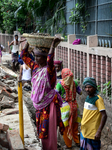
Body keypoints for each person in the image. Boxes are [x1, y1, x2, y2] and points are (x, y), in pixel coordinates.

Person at [20, 36, 65, 150]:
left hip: (49, 105)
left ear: (44, 58)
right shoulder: (35, 68)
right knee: (41, 129)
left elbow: (50, 60)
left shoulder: (49, 71)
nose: (36, 59)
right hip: (39, 105)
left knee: (48, 130)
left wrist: (52, 45)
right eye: (35, 56)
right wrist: (28, 42)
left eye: (39, 56)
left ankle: (51, 147)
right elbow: (23, 56)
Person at [56, 68, 82, 149]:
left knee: (66, 127)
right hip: (74, 106)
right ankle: (77, 142)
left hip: (65, 109)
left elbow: (56, 96)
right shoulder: (75, 83)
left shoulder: (60, 84)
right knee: (75, 125)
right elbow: (80, 92)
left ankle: (69, 145)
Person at [80, 77, 107, 150]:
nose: (87, 89)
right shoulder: (88, 97)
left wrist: (99, 131)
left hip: (92, 133)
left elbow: (104, 115)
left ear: (94, 87)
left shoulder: (98, 99)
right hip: (84, 131)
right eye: (86, 87)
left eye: (89, 87)